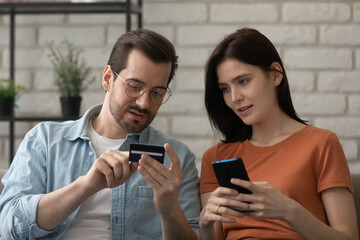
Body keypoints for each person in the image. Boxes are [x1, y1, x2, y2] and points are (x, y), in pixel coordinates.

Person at [0, 28, 201, 239]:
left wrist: (169, 208)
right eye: (134, 86)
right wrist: (85, 186)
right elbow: (9, 227)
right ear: (107, 78)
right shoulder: (45, 139)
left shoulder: (175, 157)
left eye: (157, 92)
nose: (143, 102)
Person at [199, 28, 359, 240]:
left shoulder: (321, 143)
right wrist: (205, 223)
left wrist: (288, 210)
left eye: (243, 81)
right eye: (225, 89)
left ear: (275, 75)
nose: (234, 97)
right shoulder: (216, 156)